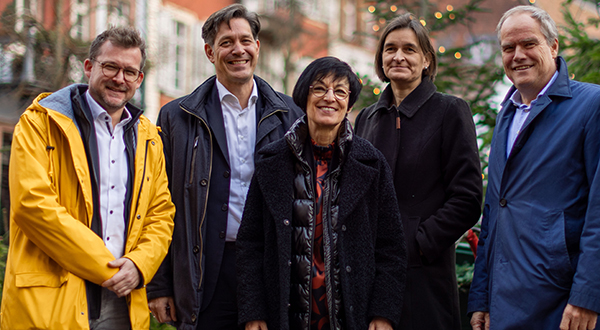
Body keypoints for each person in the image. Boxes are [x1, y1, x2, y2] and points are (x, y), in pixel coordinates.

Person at [467, 6, 600, 330]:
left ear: (553, 46)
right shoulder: (507, 114)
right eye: (508, 48)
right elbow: (494, 214)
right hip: (506, 306)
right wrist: (481, 298)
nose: (518, 55)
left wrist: (588, 295)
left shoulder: (597, 105)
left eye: (529, 44)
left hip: (565, 306)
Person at [0, 26, 175, 330]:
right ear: (89, 67)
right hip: (52, 298)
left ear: (139, 80)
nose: (119, 78)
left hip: (123, 304)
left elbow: (161, 214)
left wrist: (139, 265)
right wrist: (107, 269)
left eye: (129, 71)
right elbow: (33, 206)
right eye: (111, 66)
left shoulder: (150, 138)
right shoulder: (39, 122)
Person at [146, 4, 303, 329]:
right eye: (227, 42)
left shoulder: (290, 115)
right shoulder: (176, 118)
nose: (238, 49)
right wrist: (159, 284)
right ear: (209, 51)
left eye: (245, 40)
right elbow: (157, 204)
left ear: (257, 47)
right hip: (204, 269)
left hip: (269, 268)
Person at [236, 56, 407, 330]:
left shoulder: (371, 164)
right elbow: (250, 245)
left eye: (340, 91)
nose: (330, 97)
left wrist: (383, 313)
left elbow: (391, 248)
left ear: (349, 104)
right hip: (283, 316)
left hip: (353, 317)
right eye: (320, 88)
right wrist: (253, 311)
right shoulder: (272, 162)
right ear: (304, 96)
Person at [354, 13, 483, 330]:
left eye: (409, 49)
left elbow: (467, 198)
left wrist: (418, 242)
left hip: (425, 276)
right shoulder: (367, 119)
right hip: (369, 272)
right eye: (390, 48)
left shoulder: (450, 111)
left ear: (426, 60)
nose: (398, 56)